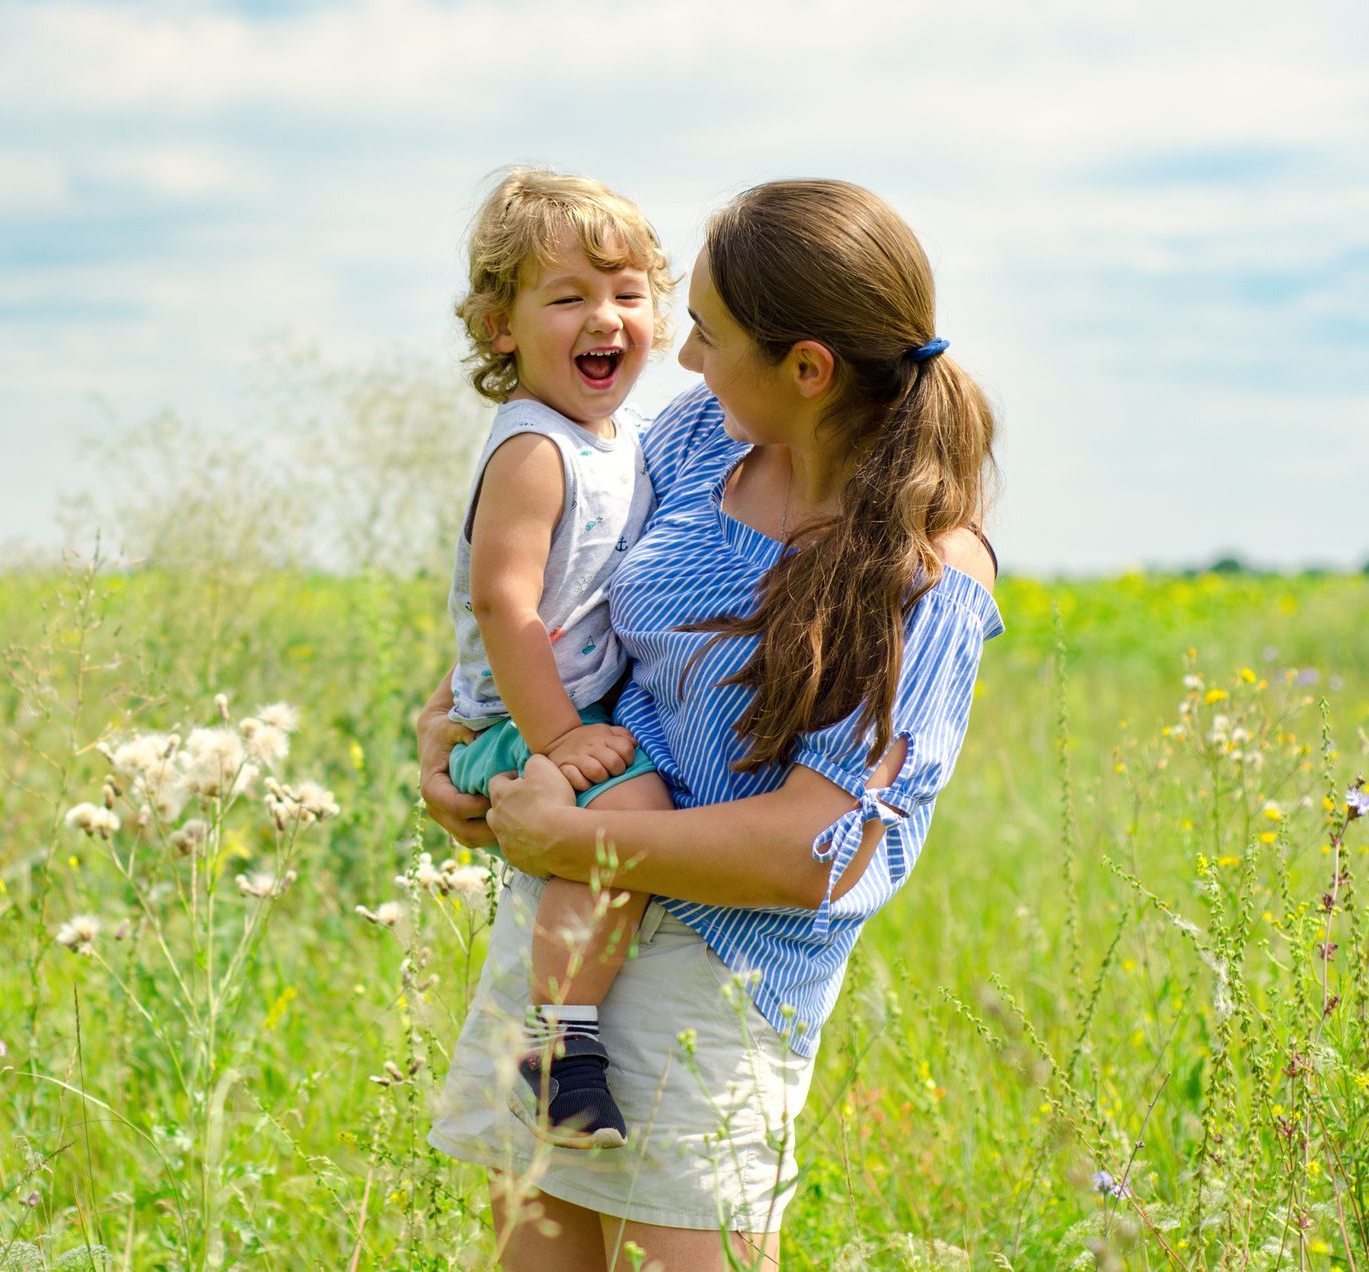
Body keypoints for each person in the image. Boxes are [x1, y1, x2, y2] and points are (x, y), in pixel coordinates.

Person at [419, 178, 1003, 1270]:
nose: (682, 359)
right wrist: (453, 731)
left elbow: (820, 850)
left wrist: (575, 840)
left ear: (808, 370)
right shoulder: (698, 443)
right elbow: (556, 596)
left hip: (714, 986)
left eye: (709, 333)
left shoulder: (928, 579)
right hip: (565, 946)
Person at [442, 168, 680, 1150]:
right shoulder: (535, 449)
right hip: (514, 725)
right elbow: (502, 601)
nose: (606, 318)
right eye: (569, 296)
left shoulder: (615, 438)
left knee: (629, 813)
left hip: (551, 714)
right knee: (634, 809)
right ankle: (560, 1049)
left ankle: (566, 1033)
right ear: (501, 327)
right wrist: (559, 736)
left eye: (627, 294)